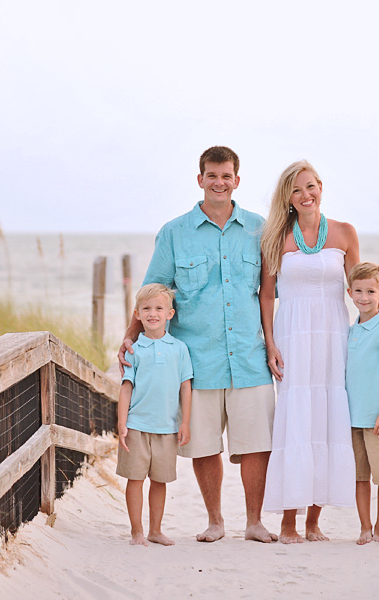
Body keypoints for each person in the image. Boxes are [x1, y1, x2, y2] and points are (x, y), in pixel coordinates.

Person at [117, 146, 277, 544]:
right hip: (196, 359)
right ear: (200, 178)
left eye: (226, 176)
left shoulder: (260, 228)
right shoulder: (175, 232)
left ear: (237, 180)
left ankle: (254, 522)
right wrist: (129, 337)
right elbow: (152, 292)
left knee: (256, 444)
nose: (219, 182)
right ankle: (216, 520)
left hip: (249, 355)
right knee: (205, 447)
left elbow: (272, 293)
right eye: (212, 175)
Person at [259, 160, 379, 544]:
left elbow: (362, 289)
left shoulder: (344, 232)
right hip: (292, 335)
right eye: (296, 190)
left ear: (321, 186)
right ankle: (289, 520)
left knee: (328, 419)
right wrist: (270, 342)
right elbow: (266, 294)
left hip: (334, 336)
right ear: (287, 198)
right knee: (296, 420)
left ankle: (313, 522)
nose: (306, 195)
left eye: (311, 186)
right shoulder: (276, 237)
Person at [117, 283, 193, 546]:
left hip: (167, 427)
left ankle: (155, 530)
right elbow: (126, 388)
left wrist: (185, 422)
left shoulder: (179, 349)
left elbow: (186, 386)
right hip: (137, 425)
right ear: (137, 314)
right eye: (146, 308)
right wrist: (122, 423)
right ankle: (137, 531)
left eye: (159, 308)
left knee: (160, 481)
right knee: (135, 478)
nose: (153, 313)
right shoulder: (133, 349)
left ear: (169, 314)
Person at [345, 263, 379, 545]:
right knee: (360, 477)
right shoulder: (351, 329)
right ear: (349, 292)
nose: (364, 297)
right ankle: (364, 527)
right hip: (354, 418)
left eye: (370, 291)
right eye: (358, 291)